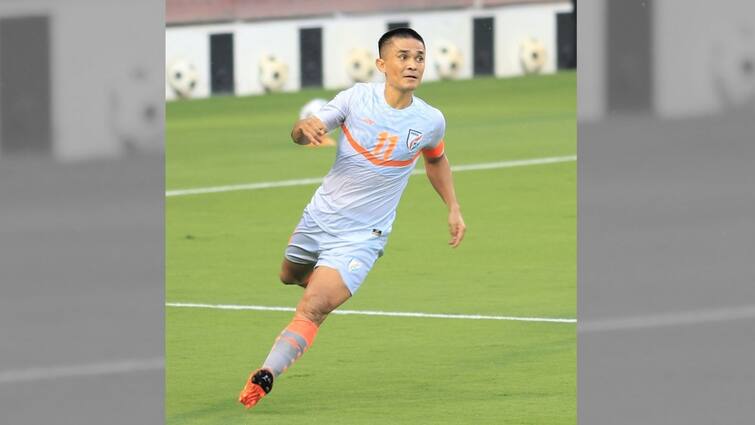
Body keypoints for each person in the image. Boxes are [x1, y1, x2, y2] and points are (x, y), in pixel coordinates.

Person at [239, 27, 466, 409]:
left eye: (420, 58)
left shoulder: (430, 120)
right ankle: (323, 279)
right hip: (320, 217)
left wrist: (453, 206)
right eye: (404, 56)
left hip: (364, 235)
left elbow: (436, 159)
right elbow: (305, 130)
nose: (412, 65)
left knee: (314, 307)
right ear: (382, 64)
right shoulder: (356, 98)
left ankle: (266, 374)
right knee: (288, 276)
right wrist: (303, 128)